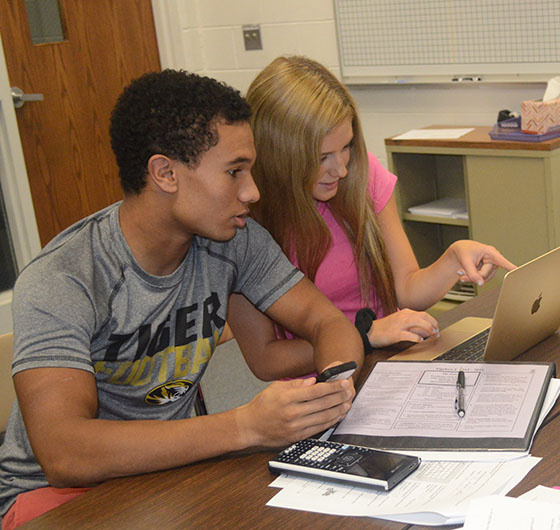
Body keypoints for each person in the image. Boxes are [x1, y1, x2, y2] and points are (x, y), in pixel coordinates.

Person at [0, 69, 364, 528]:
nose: (252, 192)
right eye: (234, 172)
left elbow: (326, 322)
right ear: (165, 173)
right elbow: (65, 453)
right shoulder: (65, 277)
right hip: (53, 499)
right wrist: (246, 427)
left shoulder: (234, 239)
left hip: (171, 474)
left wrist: (335, 386)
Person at [227, 56, 516, 380]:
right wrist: (365, 336)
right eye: (322, 157)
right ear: (280, 155)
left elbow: (406, 290)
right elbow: (266, 361)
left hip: (391, 365)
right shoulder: (240, 221)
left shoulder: (362, 178)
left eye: (346, 147)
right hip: (322, 387)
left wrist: (453, 259)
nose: (341, 169)